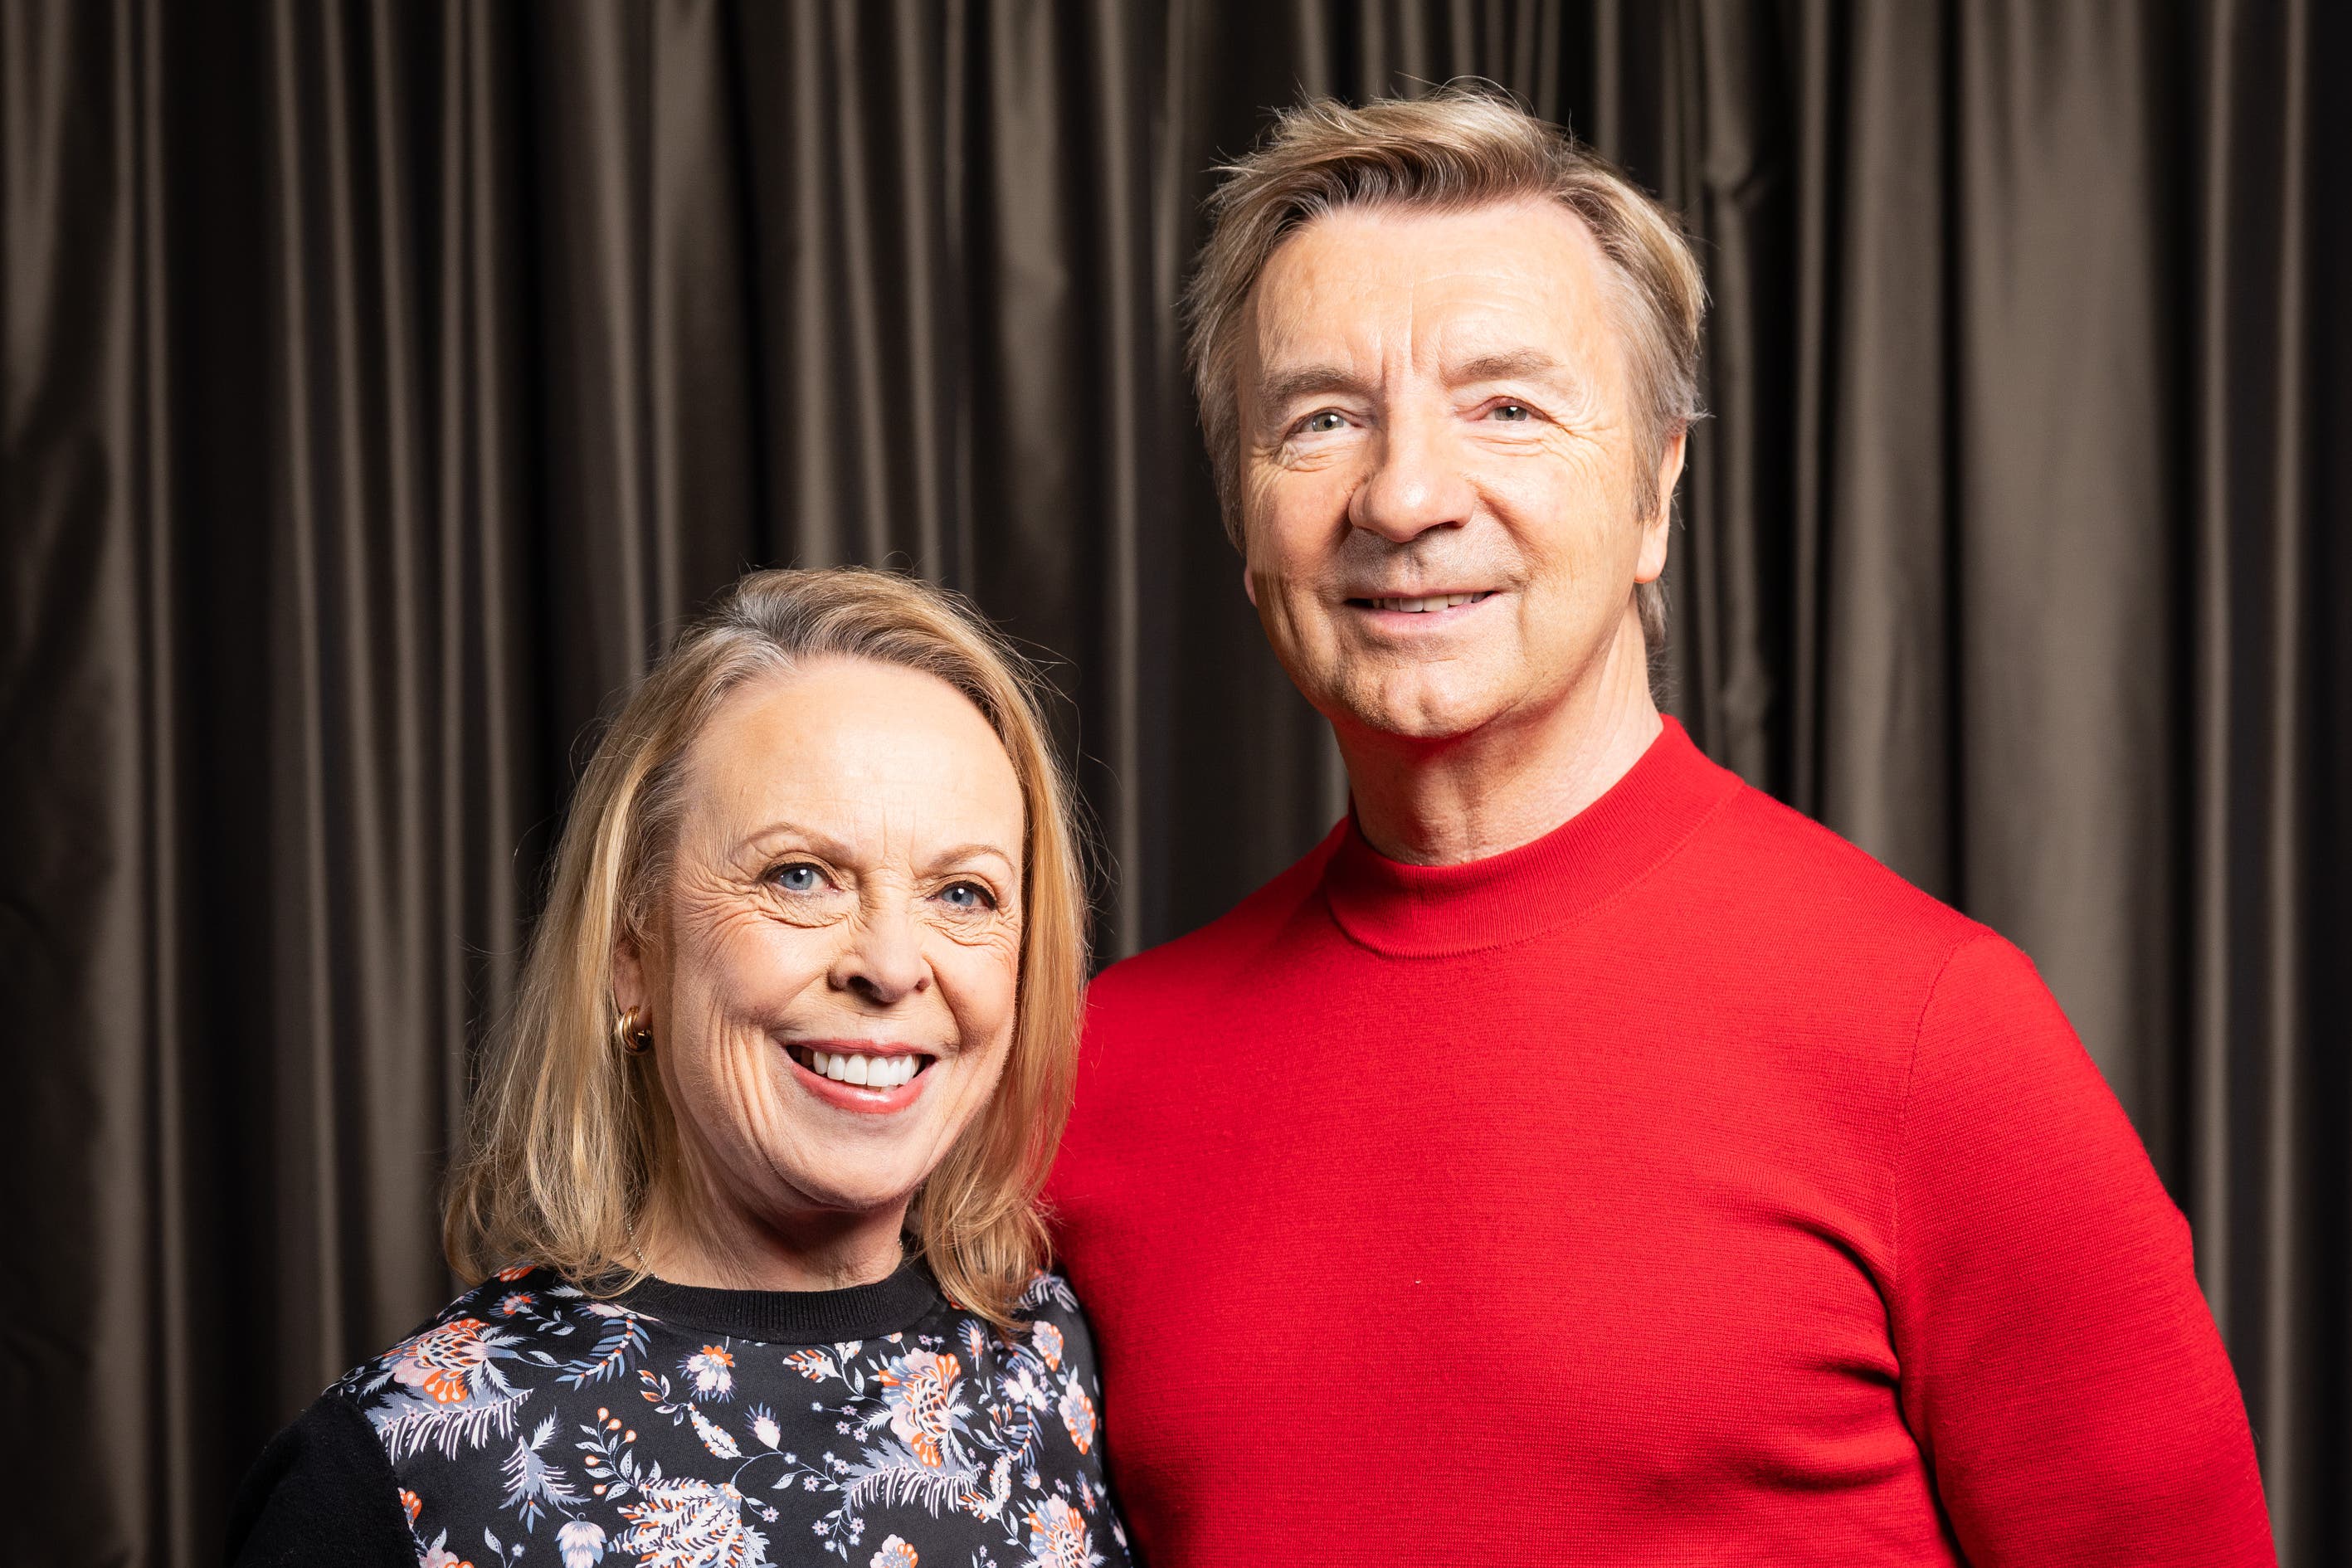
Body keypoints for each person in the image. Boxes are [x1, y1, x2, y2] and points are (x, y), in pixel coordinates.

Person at [1045, 88, 2274, 1564]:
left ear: (1656, 492)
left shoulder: (1936, 1040)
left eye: (1507, 404)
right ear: (1248, 523)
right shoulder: (1099, 1076)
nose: (1409, 494)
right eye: (1322, 419)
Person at [230, 568, 1132, 1568]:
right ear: (632, 957)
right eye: (800, 876)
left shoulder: (1062, 1362)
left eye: (962, 894)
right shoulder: (393, 1475)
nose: (888, 964)